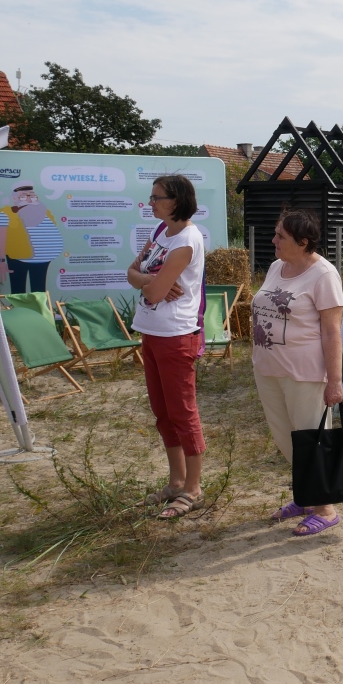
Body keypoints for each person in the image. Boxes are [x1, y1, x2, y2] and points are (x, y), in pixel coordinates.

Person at [251, 209, 343, 536]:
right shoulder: (278, 266)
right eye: (276, 233)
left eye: (281, 236)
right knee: (285, 438)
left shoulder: (324, 275)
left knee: (311, 440)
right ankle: (307, 496)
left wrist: (335, 382)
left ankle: (325, 508)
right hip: (269, 369)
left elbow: (333, 332)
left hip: (305, 373)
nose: (273, 240)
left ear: (303, 243)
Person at [127, 175, 207, 520]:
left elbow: (156, 293)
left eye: (157, 197)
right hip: (151, 330)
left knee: (182, 412)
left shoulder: (187, 239)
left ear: (176, 200)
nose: (151, 202)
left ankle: (193, 488)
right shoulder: (160, 232)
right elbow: (132, 273)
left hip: (176, 335)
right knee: (162, 412)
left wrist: (149, 284)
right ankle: (176, 481)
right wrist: (149, 280)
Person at [0, 184, 64, 293]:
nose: (29, 199)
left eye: (32, 196)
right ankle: (19, 309)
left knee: (39, 290)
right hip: (17, 258)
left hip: (42, 258)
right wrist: (0, 261)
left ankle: (39, 309)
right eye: (24, 196)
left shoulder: (44, 212)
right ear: (15, 198)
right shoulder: (6, 214)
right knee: (18, 290)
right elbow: (0, 238)